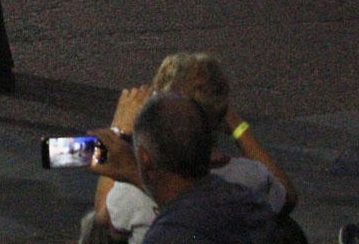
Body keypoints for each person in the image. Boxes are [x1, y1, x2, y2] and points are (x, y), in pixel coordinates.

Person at [84, 52, 299, 244]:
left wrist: (119, 132)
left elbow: (103, 215)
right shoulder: (251, 181)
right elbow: (286, 196)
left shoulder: (131, 195)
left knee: (91, 228)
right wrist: (238, 127)